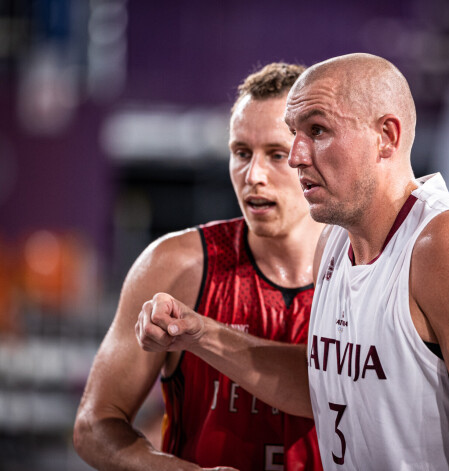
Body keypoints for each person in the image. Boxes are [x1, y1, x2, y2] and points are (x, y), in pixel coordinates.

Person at [137, 53, 449, 470]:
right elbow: (324, 383)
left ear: (386, 136)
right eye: (295, 133)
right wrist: (199, 333)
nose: (296, 155)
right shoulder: (333, 242)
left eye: (317, 130)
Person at [74, 63, 324, 471]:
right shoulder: (175, 265)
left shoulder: (365, 270)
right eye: (241, 153)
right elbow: (94, 425)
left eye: (277, 154)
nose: (253, 175)